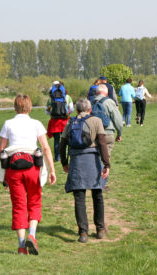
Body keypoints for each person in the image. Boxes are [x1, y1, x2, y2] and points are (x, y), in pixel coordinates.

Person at [0, 94, 56, 255]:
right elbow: (45, 147)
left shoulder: (8, 123)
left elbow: (1, 149)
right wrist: (52, 169)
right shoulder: (36, 123)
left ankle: (21, 245)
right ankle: (32, 234)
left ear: (15, 107)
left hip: (13, 167)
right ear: (30, 107)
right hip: (32, 166)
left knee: (18, 205)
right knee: (34, 201)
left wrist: (2, 173)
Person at [59, 99, 110, 243]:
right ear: (90, 109)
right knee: (97, 194)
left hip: (76, 161)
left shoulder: (70, 122)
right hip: (93, 161)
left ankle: (83, 232)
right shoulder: (96, 120)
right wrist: (107, 164)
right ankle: (100, 229)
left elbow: (62, 145)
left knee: (79, 197)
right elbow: (102, 143)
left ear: (77, 110)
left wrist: (64, 163)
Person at [46, 81, 74, 161]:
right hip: (65, 121)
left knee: (56, 140)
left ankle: (57, 157)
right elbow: (71, 108)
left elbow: (46, 111)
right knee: (66, 139)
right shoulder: (67, 97)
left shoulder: (51, 98)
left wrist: (52, 113)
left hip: (55, 122)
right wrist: (67, 113)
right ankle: (67, 156)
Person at [92, 84, 123, 155]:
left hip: (93, 135)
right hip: (107, 134)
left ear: (96, 93)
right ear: (107, 93)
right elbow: (118, 120)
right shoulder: (109, 102)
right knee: (105, 160)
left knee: (95, 159)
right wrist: (119, 134)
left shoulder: (91, 102)